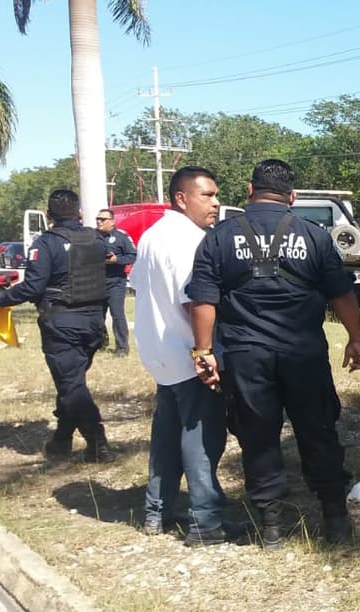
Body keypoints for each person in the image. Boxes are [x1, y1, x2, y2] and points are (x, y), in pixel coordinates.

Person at [186, 159, 360, 549]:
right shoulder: (314, 236)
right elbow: (342, 294)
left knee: (258, 434)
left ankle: (272, 526)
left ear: (249, 192)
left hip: (245, 355)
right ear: (293, 197)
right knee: (318, 430)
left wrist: (203, 350)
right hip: (304, 353)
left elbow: (202, 298)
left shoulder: (218, 237)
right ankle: (335, 517)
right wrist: (356, 338)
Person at [131, 167, 238, 546]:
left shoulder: (152, 235)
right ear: (181, 197)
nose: (216, 202)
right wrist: (205, 351)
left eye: (215, 194)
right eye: (207, 195)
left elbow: (137, 287)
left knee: (166, 436)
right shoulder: (190, 241)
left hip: (160, 354)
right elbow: (196, 300)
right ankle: (205, 523)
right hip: (187, 353)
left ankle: (156, 511)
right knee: (202, 438)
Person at [0, 189, 110, 461]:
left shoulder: (45, 243)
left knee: (71, 386)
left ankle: (98, 445)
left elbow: (33, 286)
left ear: (49, 215)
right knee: (71, 382)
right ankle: (61, 441)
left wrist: (2, 298)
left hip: (62, 323)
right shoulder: (96, 239)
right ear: (80, 213)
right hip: (94, 322)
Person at [96, 208, 136, 356]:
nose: (99, 222)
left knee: (117, 314)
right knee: (97, 314)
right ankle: (100, 342)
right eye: (97, 219)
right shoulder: (92, 237)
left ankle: (122, 347)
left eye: (103, 219)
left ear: (112, 222)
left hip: (115, 282)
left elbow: (133, 255)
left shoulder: (121, 237)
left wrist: (116, 260)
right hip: (97, 281)